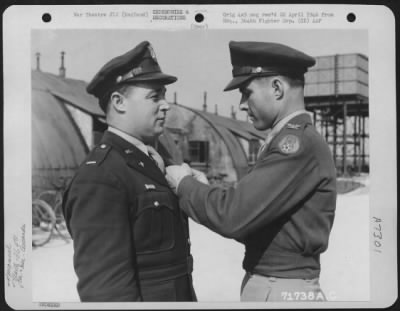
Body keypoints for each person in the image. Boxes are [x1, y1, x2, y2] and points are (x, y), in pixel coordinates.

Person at [165, 41, 337, 302]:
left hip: (279, 287)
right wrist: (203, 190)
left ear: (277, 88)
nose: (243, 104)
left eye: (247, 92)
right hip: (278, 283)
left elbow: (234, 216)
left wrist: (184, 185)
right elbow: (253, 220)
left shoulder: (296, 145)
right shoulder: (293, 142)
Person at [62, 41, 196, 302]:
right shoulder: (100, 177)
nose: (166, 105)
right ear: (119, 102)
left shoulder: (152, 160)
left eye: (164, 95)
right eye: (154, 96)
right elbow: (106, 292)